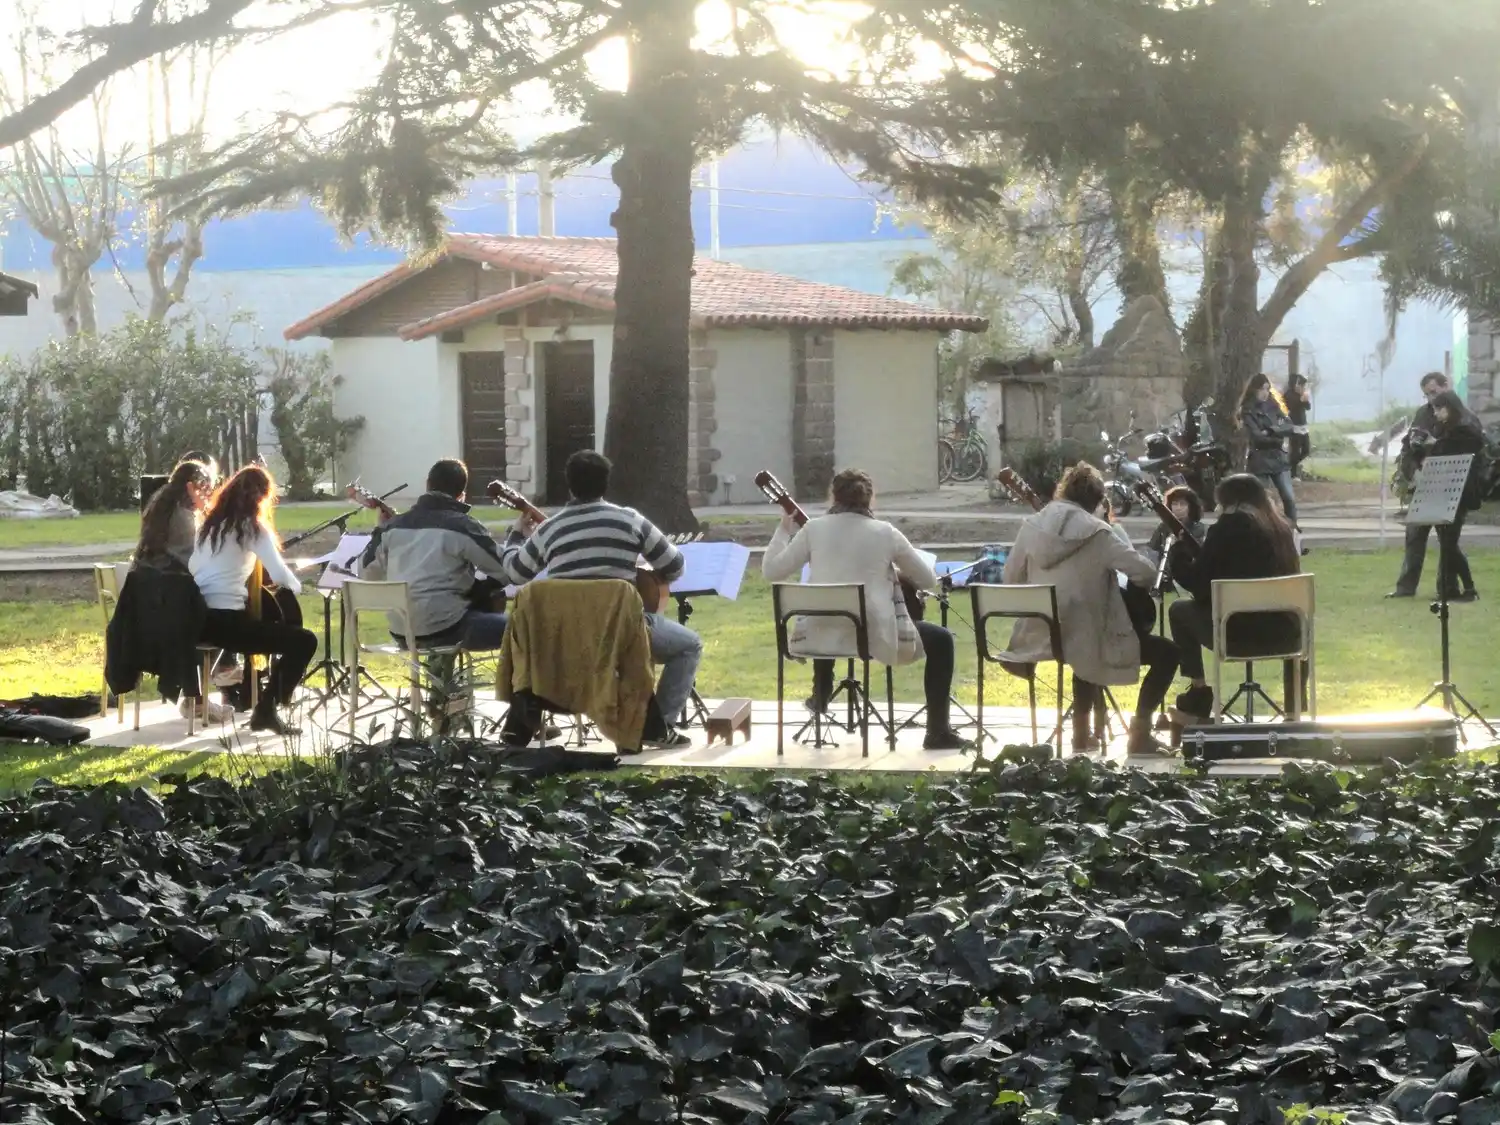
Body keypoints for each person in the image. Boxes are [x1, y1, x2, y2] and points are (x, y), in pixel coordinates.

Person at [498, 450, 700, 748]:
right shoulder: (630, 520)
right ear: (606, 483)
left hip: (561, 640)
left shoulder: (550, 529)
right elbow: (675, 566)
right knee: (688, 645)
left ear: (569, 485)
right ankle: (659, 727)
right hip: (625, 634)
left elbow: (516, 573)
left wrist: (515, 538)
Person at [761, 467, 969, 752]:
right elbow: (927, 580)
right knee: (942, 640)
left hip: (819, 637)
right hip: (874, 637)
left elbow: (772, 570)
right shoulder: (885, 532)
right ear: (870, 500)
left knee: (832, 602)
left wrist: (783, 530)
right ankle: (937, 732)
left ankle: (820, 691)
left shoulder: (813, 529)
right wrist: (893, 570)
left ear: (833, 496)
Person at [1001, 462, 1179, 756]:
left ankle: (1081, 738)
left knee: (1084, 643)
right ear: (1097, 501)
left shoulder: (1031, 526)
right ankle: (1140, 734)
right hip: (1084, 635)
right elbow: (1146, 575)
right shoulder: (1098, 532)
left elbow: (1011, 578)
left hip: (1038, 632)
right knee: (1166, 653)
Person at [189, 464, 317, 735]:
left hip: (198, 618)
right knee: (304, 641)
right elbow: (282, 576)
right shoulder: (251, 527)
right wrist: (299, 587)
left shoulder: (207, 527)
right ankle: (266, 709)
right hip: (227, 622)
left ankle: (260, 703)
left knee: (271, 633)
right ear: (261, 498)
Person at [1167, 474, 1304, 723]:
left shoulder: (1226, 529)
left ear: (1228, 502)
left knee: (1178, 610)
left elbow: (1200, 587)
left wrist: (1177, 556)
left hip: (1236, 636)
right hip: (1289, 635)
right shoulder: (1283, 528)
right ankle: (1294, 709)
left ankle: (1198, 693)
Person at [359, 458, 511, 649]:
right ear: (462, 495)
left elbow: (365, 573)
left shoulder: (391, 528)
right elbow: (507, 569)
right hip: (449, 630)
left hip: (401, 633)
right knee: (526, 628)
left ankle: (441, 678)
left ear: (427, 485)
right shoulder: (463, 526)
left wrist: (379, 529)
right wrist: (479, 589)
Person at [1387, 372, 1479, 600]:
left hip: (1451, 488)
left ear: (1445, 387)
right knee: (1415, 534)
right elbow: (1409, 446)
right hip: (1424, 483)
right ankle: (1406, 588)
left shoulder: (1466, 421)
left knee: (1448, 542)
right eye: (1427, 395)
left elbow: (1463, 451)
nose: (1430, 401)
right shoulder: (1424, 415)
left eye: (1434, 393)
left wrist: (1434, 445)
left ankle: (1450, 589)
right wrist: (1412, 471)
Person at [1419, 389, 1484, 603]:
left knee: (1449, 542)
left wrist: (1433, 444)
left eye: (1439, 408)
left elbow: (1458, 452)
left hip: (1460, 491)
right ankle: (1452, 589)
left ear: (1451, 407)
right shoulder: (1445, 428)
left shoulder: (1466, 428)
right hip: (1444, 490)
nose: (1436, 413)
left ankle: (1469, 589)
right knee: (1447, 541)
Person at [1241, 374, 1299, 528]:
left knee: (1289, 497)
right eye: (1262, 389)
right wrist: (1277, 436)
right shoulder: (1247, 410)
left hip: (1278, 458)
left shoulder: (1273, 405)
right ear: (1254, 390)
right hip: (1260, 459)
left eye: (1267, 389)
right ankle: (1262, 529)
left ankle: (1292, 528)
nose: (1265, 393)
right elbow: (1257, 436)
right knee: (1261, 499)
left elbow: (1289, 426)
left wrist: (1272, 431)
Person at [1143, 484, 1207, 591]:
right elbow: (1152, 551)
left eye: (1182, 504)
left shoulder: (1200, 529)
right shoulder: (1163, 527)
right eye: (1174, 504)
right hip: (1165, 578)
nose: (1178, 508)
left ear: (1191, 507)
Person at [1285, 374, 1312, 479]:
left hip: (1303, 425)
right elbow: (1291, 406)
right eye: (1300, 385)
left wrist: (1305, 399)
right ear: (1295, 385)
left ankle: (1291, 465)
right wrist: (1301, 399)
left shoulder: (1302, 394)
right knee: (1295, 451)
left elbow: (1308, 407)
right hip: (1294, 426)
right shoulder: (1288, 394)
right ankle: (1293, 473)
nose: (1302, 388)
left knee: (1306, 450)